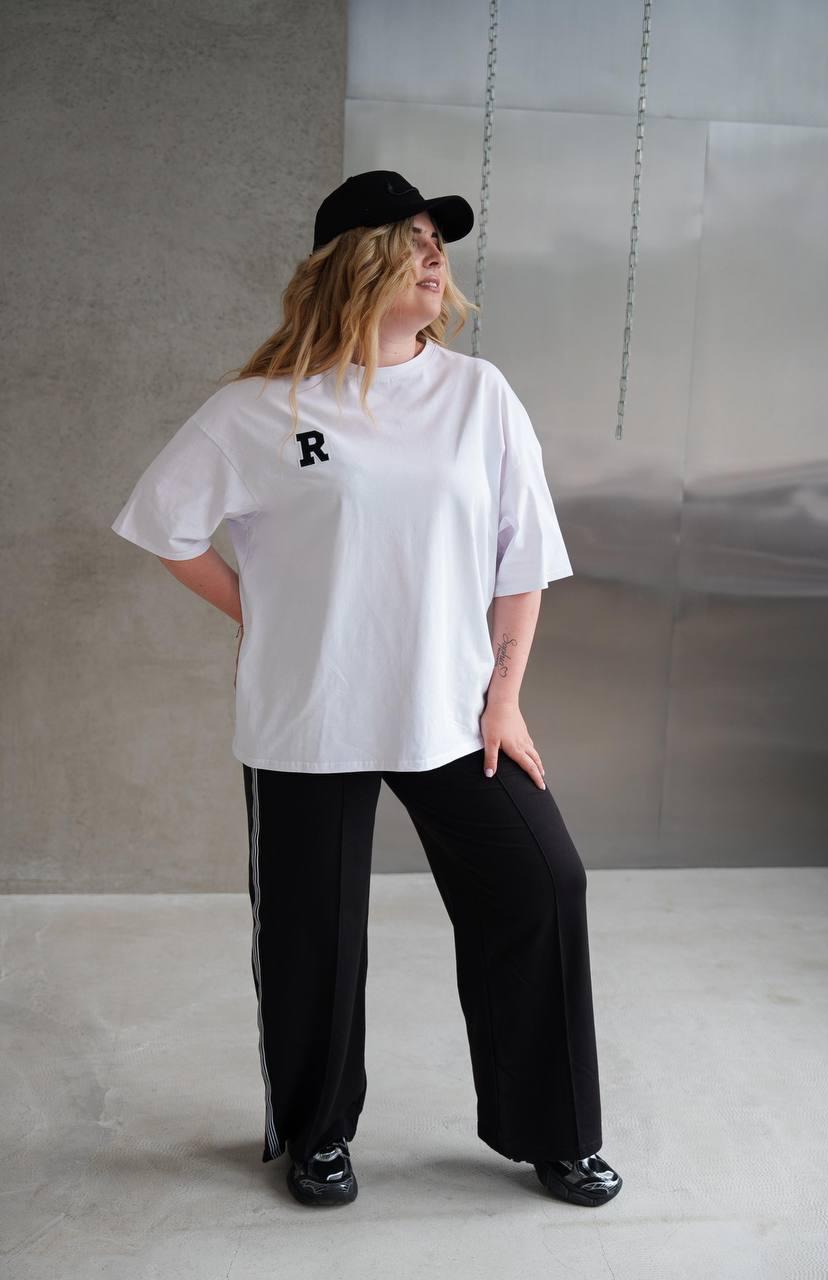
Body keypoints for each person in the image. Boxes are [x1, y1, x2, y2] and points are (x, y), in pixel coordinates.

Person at [111, 170, 623, 1210]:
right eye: (412, 239)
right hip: (310, 716)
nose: (435, 258)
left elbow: (521, 558)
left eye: (440, 241)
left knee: (540, 885)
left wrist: (504, 696)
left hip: (453, 712)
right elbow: (166, 529)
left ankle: (553, 1130)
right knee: (312, 935)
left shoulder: (478, 394)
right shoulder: (258, 409)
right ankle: (316, 1134)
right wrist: (266, 616)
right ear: (354, 263)